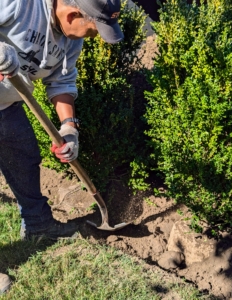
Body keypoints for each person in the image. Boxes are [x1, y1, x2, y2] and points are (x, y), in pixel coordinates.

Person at [0, 0, 124, 293]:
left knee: (25, 157)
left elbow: (62, 82)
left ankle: (38, 224)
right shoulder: (19, 4)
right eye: (92, 32)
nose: (89, 38)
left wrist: (69, 128)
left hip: (6, 106)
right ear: (72, 14)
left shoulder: (70, 39)